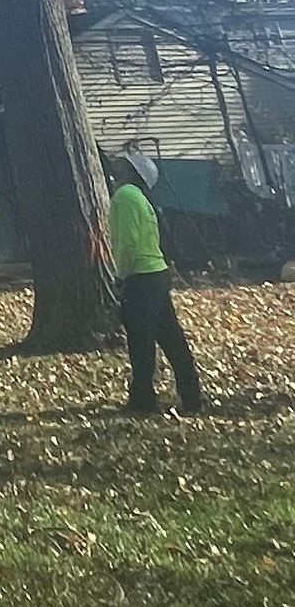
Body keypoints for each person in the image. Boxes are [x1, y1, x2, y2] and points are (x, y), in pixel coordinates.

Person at [109, 150, 203, 416]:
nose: (116, 168)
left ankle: (142, 402)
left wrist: (121, 276)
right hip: (157, 274)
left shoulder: (125, 196)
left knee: (141, 342)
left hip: (140, 277)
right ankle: (192, 397)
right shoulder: (141, 198)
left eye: (123, 165)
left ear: (132, 173)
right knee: (172, 340)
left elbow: (127, 242)